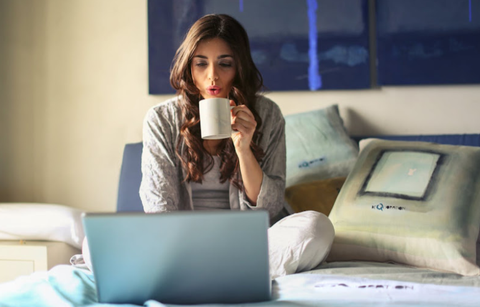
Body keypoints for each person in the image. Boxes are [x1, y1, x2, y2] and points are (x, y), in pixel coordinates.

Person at [84, 14, 334, 279]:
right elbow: (159, 207)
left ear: (240, 67)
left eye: (224, 64)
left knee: (317, 228)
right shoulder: (161, 120)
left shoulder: (267, 115)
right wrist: (177, 246)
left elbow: (269, 207)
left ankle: (197, 273)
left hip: (249, 245)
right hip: (180, 245)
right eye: (201, 64)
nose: (212, 76)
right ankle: (226, 273)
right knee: (94, 245)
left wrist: (244, 148)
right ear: (189, 68)